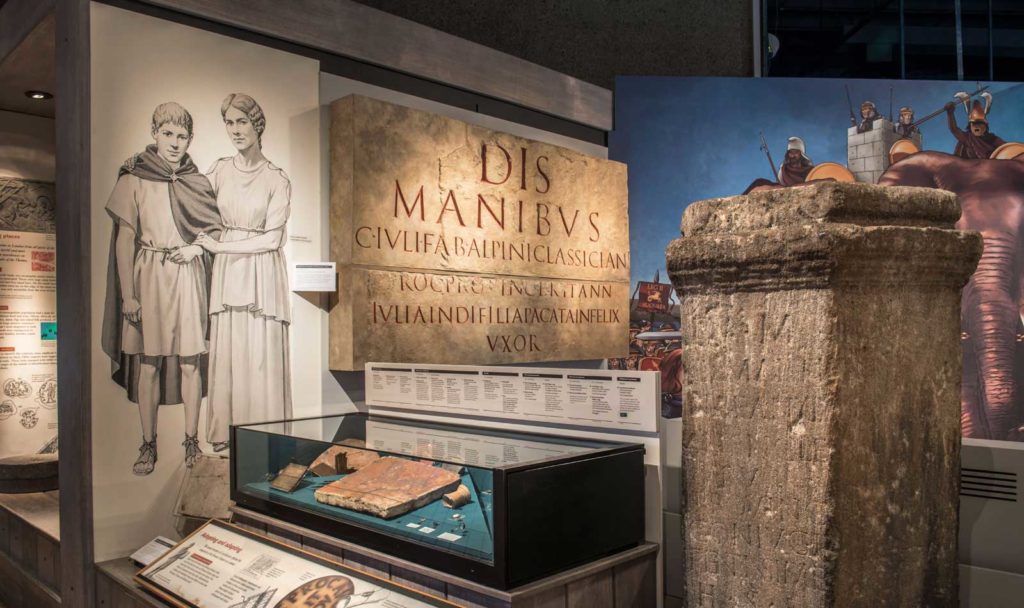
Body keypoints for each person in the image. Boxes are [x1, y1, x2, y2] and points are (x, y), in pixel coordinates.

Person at [100, 102, 222, 475]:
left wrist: (196, 246)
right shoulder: (133, 178)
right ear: (155, 133)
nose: (174, 142)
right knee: (148, 363)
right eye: (167, 134)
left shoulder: (196, 181)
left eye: (181, 136)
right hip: (149, 274)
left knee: (190, 361)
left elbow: (212, 232)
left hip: (187, 275)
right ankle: (148, 443)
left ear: (190, 139)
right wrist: (129, 295)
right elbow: (126, 238)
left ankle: (191, 442)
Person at [195, 93, 292, 452]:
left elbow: (272, 238)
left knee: (261, 353)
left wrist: (221, 247)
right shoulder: (219, 169)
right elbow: (193, 202)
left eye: (242, 122)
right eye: (229, 123)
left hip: (261, 272)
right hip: (228, 273)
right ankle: (226, 434)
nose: (236, 130)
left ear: (257, 125)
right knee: (231, 350)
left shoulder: (276, 179)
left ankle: (266, 439)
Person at [946, 94, 1005, 159]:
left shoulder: (992, 139)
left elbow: (1006, 148)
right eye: (974, 124)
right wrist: (950, 113)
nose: (976, 126)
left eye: (979, 123)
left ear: (985, 126)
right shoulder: (967, 138)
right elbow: (954, 130)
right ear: (970, 126)